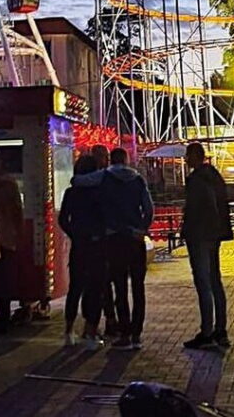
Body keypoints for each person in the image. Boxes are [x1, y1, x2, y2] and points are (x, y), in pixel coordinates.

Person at [76, 146, 153, 350]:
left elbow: (78, 181)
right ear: (126, 160)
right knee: (138, 286)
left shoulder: (104, 177)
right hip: (136, 239)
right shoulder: (138, 179)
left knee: (119, 285)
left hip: (114, 237)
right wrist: (142, 228)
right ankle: (137, 334)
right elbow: (149, 208)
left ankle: (124, 332)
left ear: (111, 160)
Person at [180, 141, 234, 350]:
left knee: (203, 282)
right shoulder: (214, 177)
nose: (186, 159)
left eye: (188, 155)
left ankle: (207, 332)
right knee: (214, 281)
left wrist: (192, 229)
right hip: (215, 234)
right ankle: (220, 330)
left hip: (201, 235)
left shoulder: (197, 180)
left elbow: (200, 207)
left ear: (196, 156)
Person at [58, 153, 107, 348]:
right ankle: (90, 331)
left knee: (75, 288)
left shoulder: (72, 192)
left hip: (79, 246)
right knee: (95, 289)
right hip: (98, 245)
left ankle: (68, 330)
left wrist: (75, 234)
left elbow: (63, 220)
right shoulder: (101, 192)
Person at [0, 148, 24, 333]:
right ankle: (5, 316)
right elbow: (17, 210)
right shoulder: (10, 184)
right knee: (5, 280)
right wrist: (19, 232)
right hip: (6, 237)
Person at [90, 143, 117, 336]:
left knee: (104, 282)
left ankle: (106, 319)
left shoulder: (93, 180)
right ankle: (108, 319)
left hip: (101, 237)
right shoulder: (105, 179)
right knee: (105, 282)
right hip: (105, 236)